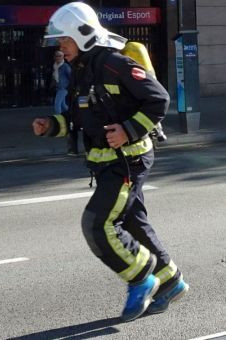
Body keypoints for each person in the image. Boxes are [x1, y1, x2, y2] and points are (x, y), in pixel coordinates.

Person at [33, 2, 188, 322]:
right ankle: (171, 281)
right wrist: (52, 125)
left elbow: (158, 98)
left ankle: (141, 278)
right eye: (58, 41)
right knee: (133, 223)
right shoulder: (78, 70)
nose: (60, 47)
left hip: (128, 161)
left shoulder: (114, 63)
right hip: (106, 160)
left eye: (64, 40)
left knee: (98, 224)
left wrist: (128, 130)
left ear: (82, 34)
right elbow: (79, 117)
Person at [52, 50, 77, 155]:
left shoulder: (65, 66)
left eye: (60, 56)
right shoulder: (55, 66)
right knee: (63, 105)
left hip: (64, 88)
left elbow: (71, 77)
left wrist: (70, 87)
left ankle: (59, 122)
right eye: (57, 56)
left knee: (57, 104)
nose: (58, 57)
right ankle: (70, 115)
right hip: (59, 87)